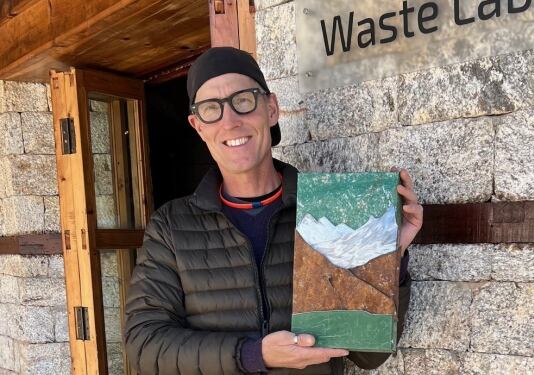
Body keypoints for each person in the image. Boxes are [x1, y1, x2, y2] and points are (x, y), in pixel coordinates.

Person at [123, 47, 423, 374]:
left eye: (243, 100)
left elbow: (368, 356)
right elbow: (144, 345)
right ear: (198, 126)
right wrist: (252, 355)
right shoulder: (171, 227)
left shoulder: (328, 209)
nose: (230, 120)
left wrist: (388, 255)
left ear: (271, 109)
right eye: (212, 109)